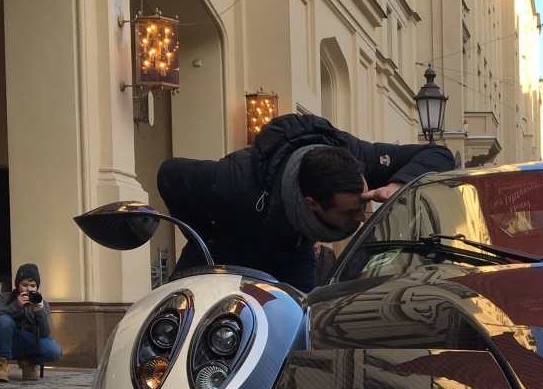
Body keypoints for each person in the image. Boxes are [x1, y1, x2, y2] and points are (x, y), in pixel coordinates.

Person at [156, 113, 456, 291]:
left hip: (292, 252)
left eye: (362, 205)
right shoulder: (235, 183)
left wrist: (396, 185)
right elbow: (170, 175)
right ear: (313, 204)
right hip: (221, 252)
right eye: (351, 211)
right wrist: (207, 237)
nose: (361, 218)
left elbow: (440, 155)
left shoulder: (357, 155)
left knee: (303, 333)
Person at [0, 263, 62, 381]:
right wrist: (15, 306)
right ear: (18, 285)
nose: (29, 289)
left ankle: (28, 362)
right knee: (4, 319)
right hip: (11, 340)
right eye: (24, 285)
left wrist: (40, 311)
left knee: (54, 351)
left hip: (32, 340)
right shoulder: (6, 297)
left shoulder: (43, 304)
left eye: (33, 286)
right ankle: (2, 364)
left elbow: (45, 333)